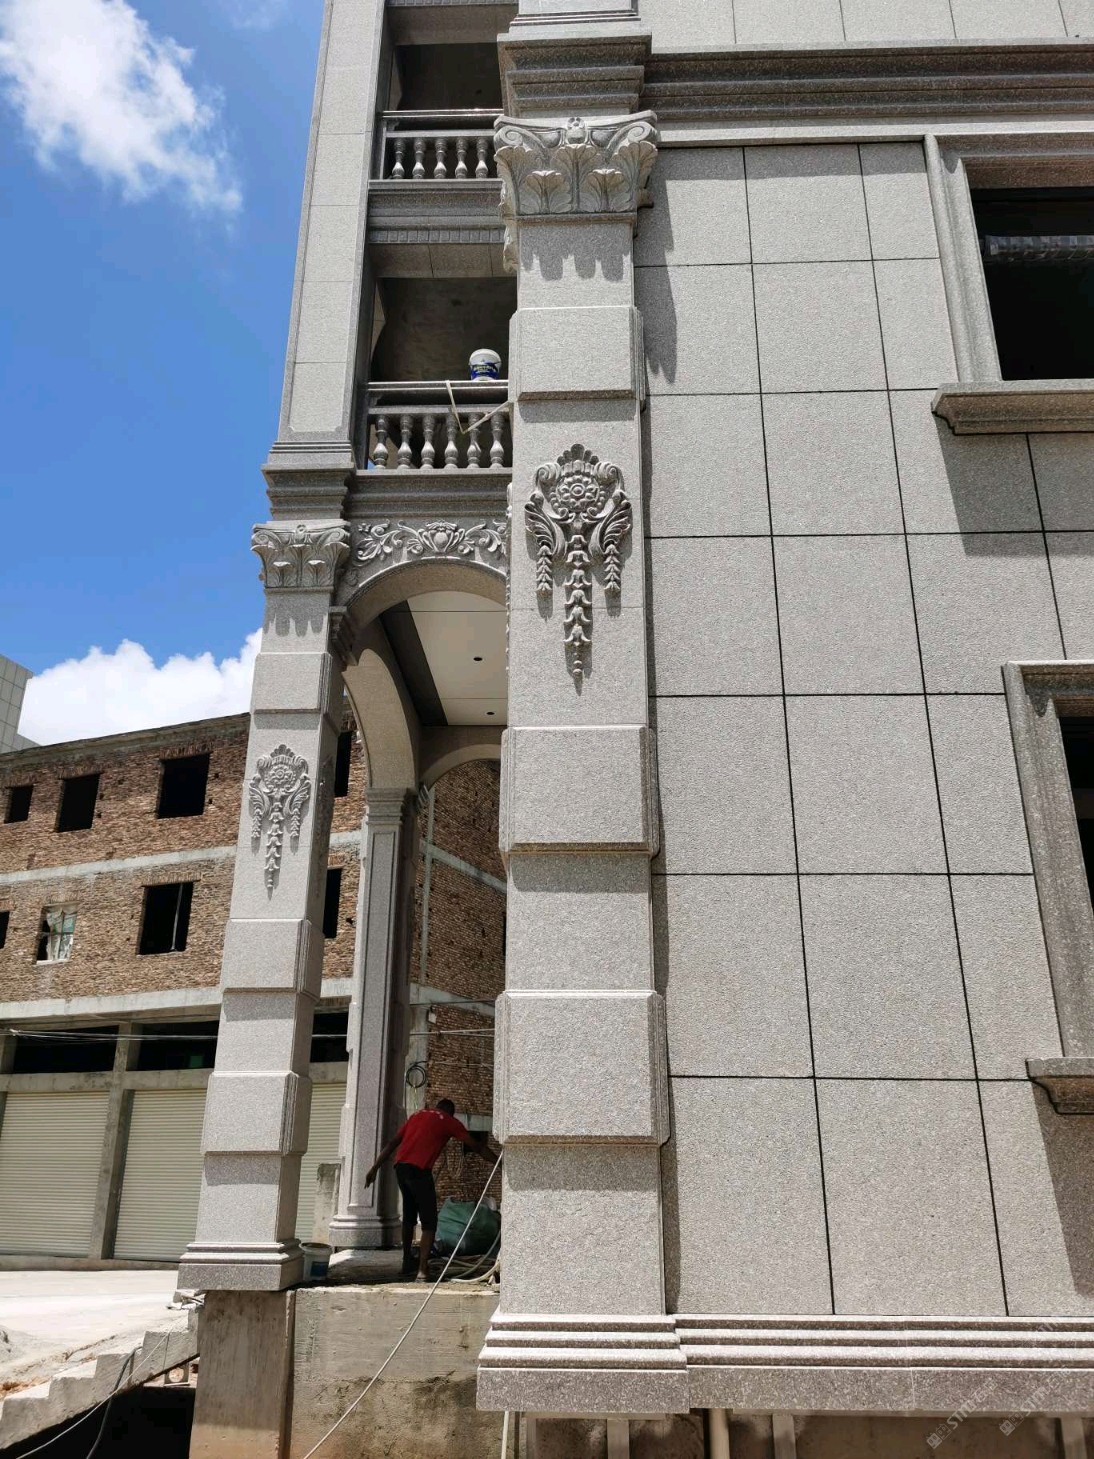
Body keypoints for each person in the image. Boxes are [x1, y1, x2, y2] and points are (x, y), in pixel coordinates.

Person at [365, 1099, 496, 1282]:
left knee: (409, 1217)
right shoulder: (449, 1121)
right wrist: (499, 1161)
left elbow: (393, 1143)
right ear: (450, 1112)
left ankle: (406, 1262)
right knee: (430, 1222)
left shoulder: (417, 1116)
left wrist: (374, 1169)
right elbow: (476, 1146)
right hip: (420, 1171)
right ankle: (422, 1270)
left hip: (400, 1168)